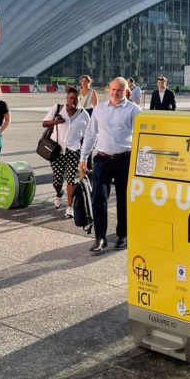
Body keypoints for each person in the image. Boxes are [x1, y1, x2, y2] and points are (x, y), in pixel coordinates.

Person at [79, 77, 140, 253]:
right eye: (113, 89)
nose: (115, 93)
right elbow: (91, 135)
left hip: (124, 159)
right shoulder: (99, 109)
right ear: (108, 90)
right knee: (98, 197)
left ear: (126, 91)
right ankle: (100, 238)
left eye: (119, 90)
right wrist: (83, 158)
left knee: (123, 199)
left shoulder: (134, 110)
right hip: (102, 159)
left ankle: (122, 234)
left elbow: (140, 136)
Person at [42, 86, 89, 218]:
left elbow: (88, 133)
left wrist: (84, 149)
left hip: (74, 151)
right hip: (57, 150)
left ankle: (69, 207)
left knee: (70, 179)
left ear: (79, 100)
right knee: (57, 181)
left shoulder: (83, 114)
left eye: (75, 98)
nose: (73, 101)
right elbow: (44, 123)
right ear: (66, 99)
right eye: (70, 98)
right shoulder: (57, 108)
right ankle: (58, 193)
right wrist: (56, 121)